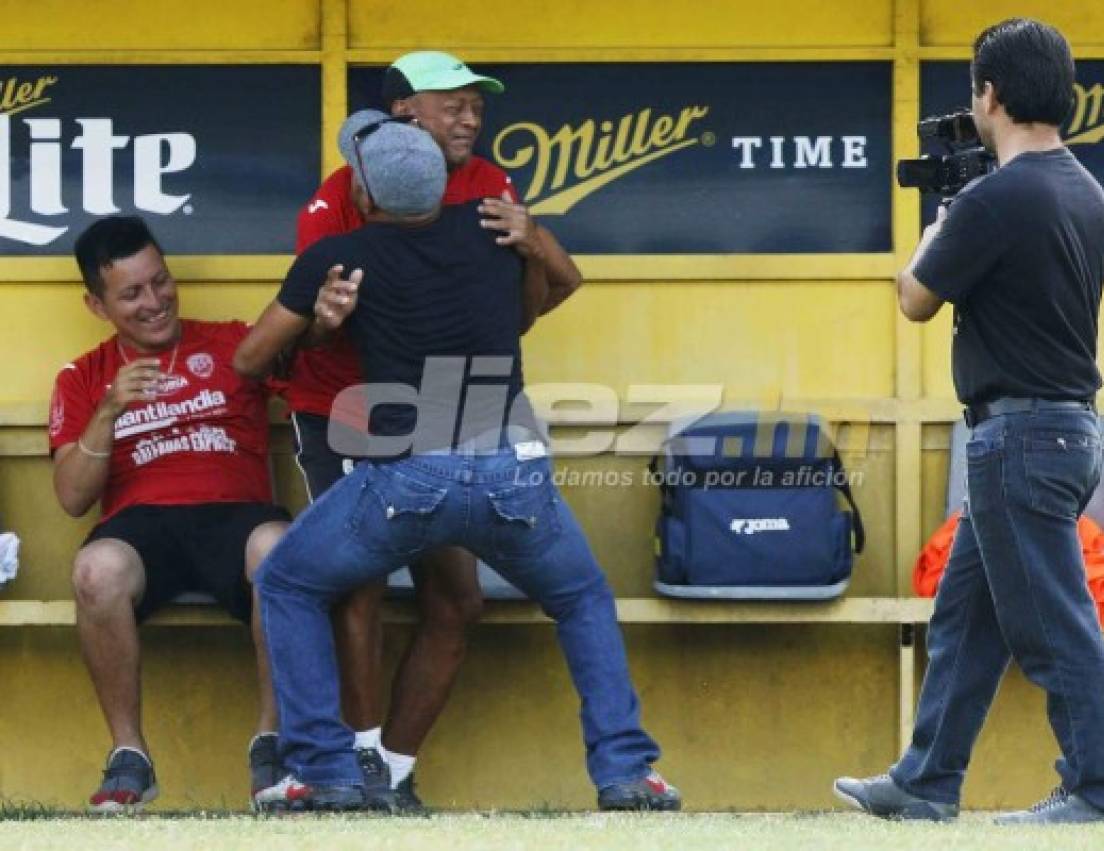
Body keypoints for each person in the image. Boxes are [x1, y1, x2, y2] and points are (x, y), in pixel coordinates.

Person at [235, 112, 678, 813]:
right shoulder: (495, 227)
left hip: (407, 474)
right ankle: (627, 769)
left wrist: (322, 319)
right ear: (441, 183)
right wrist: (530, 246)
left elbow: (251, 360)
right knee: (583, 596)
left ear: (368, 199)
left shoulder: (341, 253)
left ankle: (324, 769)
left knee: (286, 580)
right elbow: (559, 284)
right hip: (512, 465)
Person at [834, 18, 1104, 825]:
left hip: (1018, 438)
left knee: (1053, 624)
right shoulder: (1082, 187)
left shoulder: (993, 199)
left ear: (989, 96)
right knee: (966, 618)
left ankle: (1100, 792)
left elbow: (915, 297)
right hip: (1065, 434)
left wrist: (941, 218)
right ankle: (926, 780)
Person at [287, 50, 582, 810]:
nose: (471, 116)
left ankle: (393, 768)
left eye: (476, 104)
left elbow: (526, 307)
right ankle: (350, 769)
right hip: (342, 408)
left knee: (457, 599)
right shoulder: (334, 201)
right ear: (403, 114)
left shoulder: (489, 185)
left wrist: (534, 242)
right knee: (354, 584)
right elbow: (313, 330)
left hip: (447, 414)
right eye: (450, 103)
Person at [51, 216, 291, 812]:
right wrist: (108, 412)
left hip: (237, 516)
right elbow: (72, 498)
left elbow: (323, 377)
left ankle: (275, 746)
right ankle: (129, 755)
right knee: (94, 572)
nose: (155, 302)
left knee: (282, 551)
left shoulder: (236, 345)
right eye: (131, 293)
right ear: (96, 305)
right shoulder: (84, 377)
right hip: (142, 529)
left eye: (161, 281)